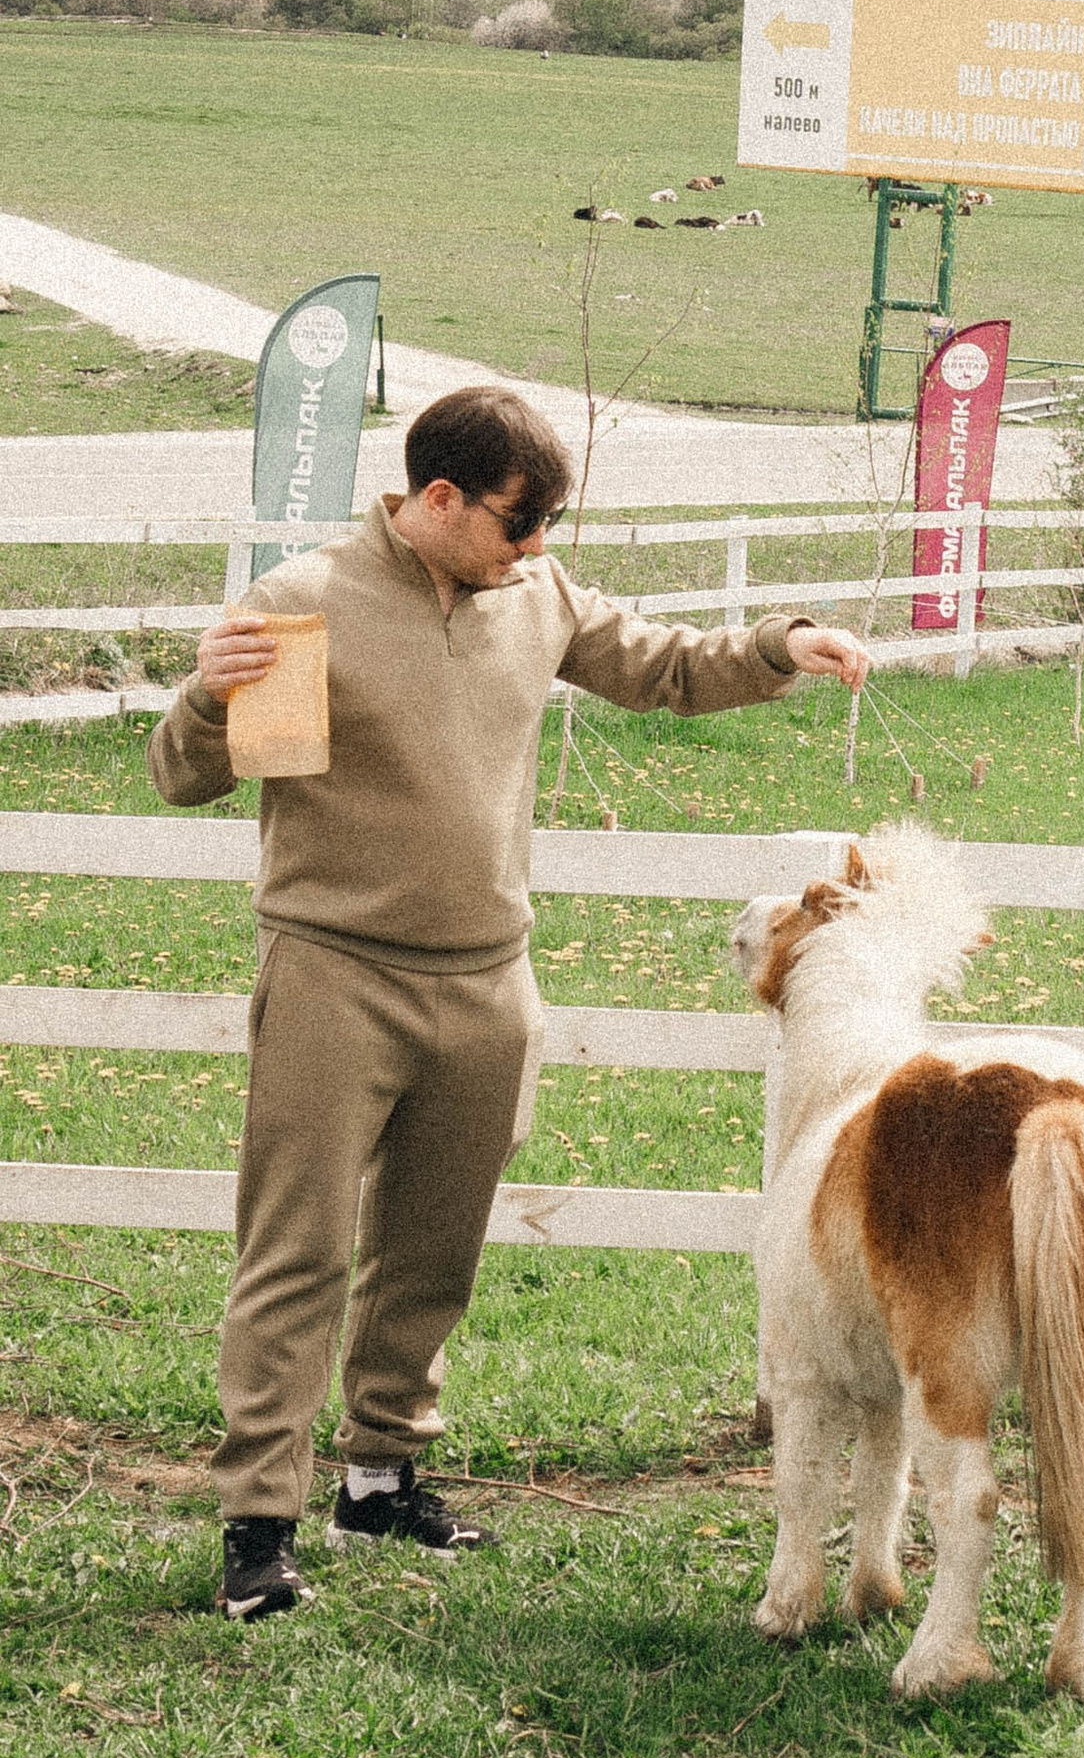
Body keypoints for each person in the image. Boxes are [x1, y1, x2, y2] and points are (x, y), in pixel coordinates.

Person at [148, 382, 869, 1621]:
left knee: (434, 1247)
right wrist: (210, 698)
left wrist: (774, 646)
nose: (536, 551)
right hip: (335, 971)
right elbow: (189, 778)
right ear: (438, 500)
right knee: (300, 1253)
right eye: (515, 525)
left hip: (489, 978)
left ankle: (379, 1477)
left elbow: (660, 666)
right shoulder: (304, 606)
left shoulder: (534, 595)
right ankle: (256, 1528)